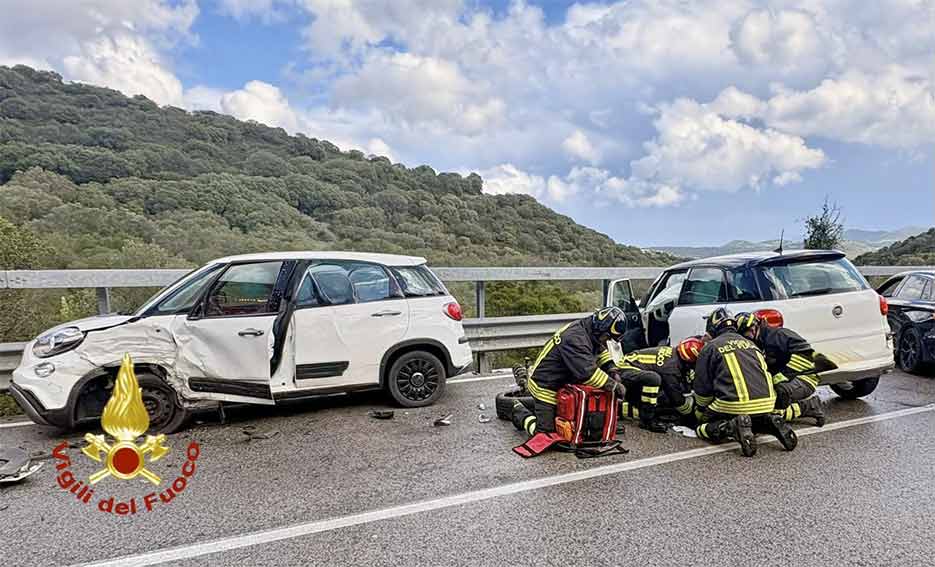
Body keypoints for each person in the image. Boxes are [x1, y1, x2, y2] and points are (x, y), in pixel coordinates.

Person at [693, 308, 797, 457]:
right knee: (751, 418)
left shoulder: (710, 347)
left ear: (712, 327)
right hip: (767, 402)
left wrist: (701, 410)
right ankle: (769, 422)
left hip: (733, 404)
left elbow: (702, 387)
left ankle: (730, 427)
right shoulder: (751, 344)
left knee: (701, 427)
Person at [511, 307, 627, 437]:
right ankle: (521, 414)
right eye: (607, 337)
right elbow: (588, 374)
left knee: (575, 427)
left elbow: (600, 350)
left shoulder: (590, 329)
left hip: (564, 385)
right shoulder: (575, 338)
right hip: (545, 387)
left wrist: (611, 368)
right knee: (546, 435)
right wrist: (614, 386)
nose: (607, 341)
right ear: (600, 329)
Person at [735, 312, 826, 427]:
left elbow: (806, 356)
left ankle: (809, 406)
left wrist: (781, 377)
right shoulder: (759, 342)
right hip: (786, 381)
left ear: (753, 328)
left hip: (805, 379)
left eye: (744, 335)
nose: (744, 339)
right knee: (760, 406)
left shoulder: (779, 335)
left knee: (771, 409)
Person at [608, 337, 705, 430]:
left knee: (661, 397)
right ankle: (647, 420)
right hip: (625, 371)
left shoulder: (675, 355)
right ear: (689, 360)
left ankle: (623, 409)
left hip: (633, 369)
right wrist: (691, 416)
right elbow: (677, 399)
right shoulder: (671, 368)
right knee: (654, 379)